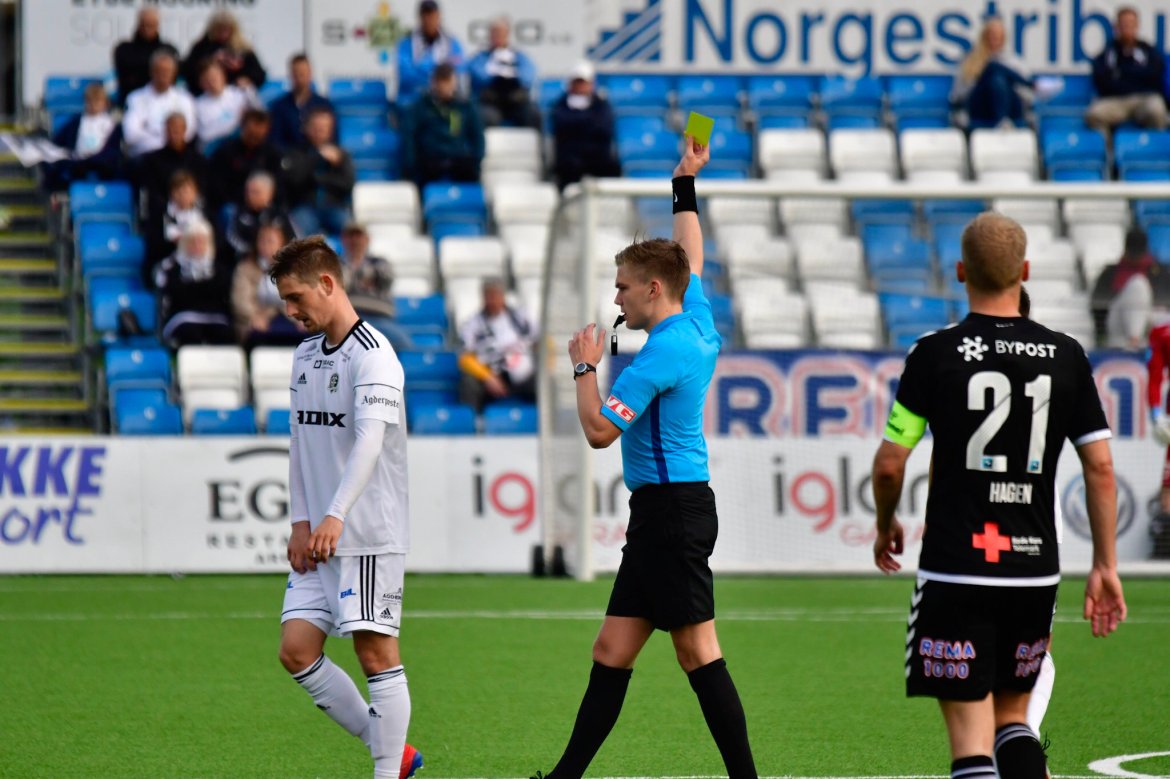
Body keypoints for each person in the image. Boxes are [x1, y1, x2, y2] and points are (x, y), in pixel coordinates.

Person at [530, 138, 759, 779]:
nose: (617, 299)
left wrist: (582, 366)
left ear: (653, 289)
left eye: (623, 288)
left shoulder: (659, 354)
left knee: (698, 652)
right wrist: (684, 184)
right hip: (664, 510)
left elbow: (601, 431)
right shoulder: (697, 318)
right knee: (612, 648)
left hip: (673, 512)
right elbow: (691, 255)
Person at [871, 212, 1126, 779]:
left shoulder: (934, 354)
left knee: (971, 743)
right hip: (1033, 571)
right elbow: (1101, 468)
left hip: (957, 567)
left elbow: (892, 464)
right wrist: (1105, 564)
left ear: (960, 271)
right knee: (1015, 720)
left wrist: (885, 521)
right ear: (1025, 271)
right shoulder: (1067, 356)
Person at [272, 236, 423, 779]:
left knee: (376, 654)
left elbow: (369, 443)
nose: (289, 311)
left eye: (295, 297)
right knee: (296, 650)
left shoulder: (375, 355)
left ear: (327, 284)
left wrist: (335, 514)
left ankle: (387, 771)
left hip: (366, 532)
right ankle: (394, 752)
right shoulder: (305, 355)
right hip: (320, 536)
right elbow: (298, 442)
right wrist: (301, 520)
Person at [1086, 7, 1168, 137]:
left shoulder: (1148, 51)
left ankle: (1153, 148)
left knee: (1157, 110)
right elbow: (1102, 81)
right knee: (1094, 114)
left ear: (1137, 26)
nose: (1127, 28)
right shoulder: (1108, 53)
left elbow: (1155, 76)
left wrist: (1122, 75)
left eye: (1131, 24)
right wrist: (1137, 76)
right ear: (1116, 27)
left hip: (1143, 99)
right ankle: (1110, 151)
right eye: (1123, 24)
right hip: (1116, 101)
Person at [153, 218, 235, 347]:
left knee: (225, 334)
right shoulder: (172, 269)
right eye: (192, 241)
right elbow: (176, 296)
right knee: (191, 333)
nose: (197, 246)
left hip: (215, 318)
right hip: (183, 317)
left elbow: (222, 296)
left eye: (201, 241)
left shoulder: (220, 270)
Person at [402, 63, 484, 188]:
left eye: (448, 81)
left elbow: (478, 137)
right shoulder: (421, 106)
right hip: (431, 159)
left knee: (471, 174)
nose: (445, 87)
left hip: (457, 158)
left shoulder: (465, 106)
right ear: (433, 82)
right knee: (418, 174)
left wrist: (476, 160)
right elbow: (409, 136)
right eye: (441, 82)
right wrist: (411, 165)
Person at [457, 278, 535, 411]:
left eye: (496, 295)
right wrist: (487, 377)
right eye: (489, 296)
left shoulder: (520, 318)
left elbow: (542, 341)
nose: (492, 300)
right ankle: (472, 423)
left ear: (503, 296)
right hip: (491, 375)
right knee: (468, 382)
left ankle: (545, 423)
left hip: (523, 375)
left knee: (545, 381)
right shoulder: (473, 324)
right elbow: (464, 357)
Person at [282, 108, 354, 238]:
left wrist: (321, 179)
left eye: (325, 127)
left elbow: (348, 183)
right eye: (316, 126)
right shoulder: (296, 153)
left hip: (334, 206)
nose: (320, 131)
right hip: (305, 207)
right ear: (306, 127)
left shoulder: (340, 154)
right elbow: (294, 180)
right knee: (299, 234)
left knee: (352, 231)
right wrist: (317, 157)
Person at [951, 17, 1033, 129]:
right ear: (984, 36)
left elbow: (1026, 97)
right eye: (991, 35)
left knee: (998, 75)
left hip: (1011, 108)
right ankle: (1032, 84)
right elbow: (958, 95)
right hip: (981, 109)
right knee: (992, 68)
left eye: (998, 36)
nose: (994, 39)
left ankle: (1002, 121)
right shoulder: (970, 61)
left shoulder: (1015, 62)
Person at [231, 221, 303, 347]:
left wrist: (303, 318)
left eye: (270, 241)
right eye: (262, 241)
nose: (265, 245)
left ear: (282, 243)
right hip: (257, 320)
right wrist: (253, 317)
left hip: (290, 319)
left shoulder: (294, 270)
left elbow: (302, 297)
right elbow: (240, 300)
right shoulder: (245, 268)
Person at [551, 62, 621, 190]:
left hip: (597, 158)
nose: (580, 86)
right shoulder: (560, 105)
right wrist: (588, 122)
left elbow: (604, 129)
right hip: (570, 160)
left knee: (612, 166)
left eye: (583, 82)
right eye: (577, 82)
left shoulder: (602, 105)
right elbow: (562, 127)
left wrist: (577, 123)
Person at [42, 82, 123, 192]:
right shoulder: (76, 122)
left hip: (103, 164)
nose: (93, 105)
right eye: (89, 101)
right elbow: (58, 142)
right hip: (78, 163)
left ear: (105, 103)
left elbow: (114, 150)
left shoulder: (113, 125)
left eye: (97, 101)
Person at [137, 112, 206, 233]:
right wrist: (172, 205)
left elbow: (204, 189)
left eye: (178, 129)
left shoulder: (198, 160)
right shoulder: (152, 160)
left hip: (194, 211)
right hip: (163, 214)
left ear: (185, 130)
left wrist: (188, 202)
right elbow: (149, 192)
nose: (174, 133)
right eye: (170, 129)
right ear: (165, 131)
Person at [467, 17, 539, 128]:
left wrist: (512, 75)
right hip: (491, 102)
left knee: (532, 114)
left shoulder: (519, 56)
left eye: (501, 33)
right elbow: (477, 73)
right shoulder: (481, 57)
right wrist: (496, 75)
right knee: (484, 116)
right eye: (495, 33)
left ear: (507, 34)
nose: (498, 36)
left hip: (516, 102)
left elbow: (528, 76)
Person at [121, 50, 195, 157]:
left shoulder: (184, 98)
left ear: (174, 73)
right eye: (159, 70)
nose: (163, 75)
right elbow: (131, 135)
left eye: (167, 71)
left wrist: (149, 130)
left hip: (175, 156)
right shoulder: (135, 98)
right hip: (145, 155)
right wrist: (168, 137)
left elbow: (188, 132)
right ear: (151, 72)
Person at [208, 108, 283, 211]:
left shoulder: (272, 154)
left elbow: (277, 184)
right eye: (251, 132)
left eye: (259, 134)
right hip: (234, 203)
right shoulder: (227, 151)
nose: (255, 135)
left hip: (264, 204)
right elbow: (217, 185)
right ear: (243, 127)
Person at [181, 10, 266, 98]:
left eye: (227, 29)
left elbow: (259, 74)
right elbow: (188, 70)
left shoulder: (243, 48)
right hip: (205, 96)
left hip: (236, 95)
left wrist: (248, 79)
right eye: (219, 29)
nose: (223, 33)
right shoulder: (201, 47)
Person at [396, 0, 464, 103]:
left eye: (432, 15)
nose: (429, 20)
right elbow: (406, 75)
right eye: (425, 15)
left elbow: (458, 69)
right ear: (420, 18)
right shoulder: (407, 44)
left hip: (445, 99)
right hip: (414, 98)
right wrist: (437, 73)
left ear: (439, 17)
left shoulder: (452, 43)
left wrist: (422, 68)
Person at [113, 7, 179, 108]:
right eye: (144, 24)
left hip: (165, 101)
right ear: (138, 24)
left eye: (151, 25)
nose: (147, 29)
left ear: (157, 25)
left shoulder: (169, 50)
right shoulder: (124, 50)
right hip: (133, 101)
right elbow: (126, 78)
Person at [268, 54, 335, 150]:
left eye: (303, 73)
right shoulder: (279, 106)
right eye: (296, 74)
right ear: (290, 75)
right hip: (289, 159)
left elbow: (333, 138)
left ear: (310, 73)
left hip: (318, 158)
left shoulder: (324, 105)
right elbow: (276, 140)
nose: (300, 78)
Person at [147, 169, 208, 269]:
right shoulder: (162, 215)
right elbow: (154, 244)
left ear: (195, 192)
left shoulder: (204, 214)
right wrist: (173, 243)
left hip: (200, 260)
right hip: (170, 260)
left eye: (187, 191)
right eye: (178, 191)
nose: (183, 195)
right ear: (171, 193)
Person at [194, 59, 258, 150]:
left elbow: (259, 114)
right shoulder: (198, 105)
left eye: (215, 76)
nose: (213, 82)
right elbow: (204, 135)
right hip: (214, 150)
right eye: (207, 79)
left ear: (223, 75)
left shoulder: (239, 94)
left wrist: (249, 90)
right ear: (201, 83)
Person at [226, 171, 289, 258]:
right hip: (248, 262)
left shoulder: (279, 215)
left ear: (269, 193)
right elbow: (232, 239)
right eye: (247, 191)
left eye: (255, 192)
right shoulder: (239, 213)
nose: (250, 196)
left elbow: (293, 241)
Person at [340, 223, 395, 302]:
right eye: (351, 236)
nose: (354, 240)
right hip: (347, 310)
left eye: (358, 236)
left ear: (367, 239)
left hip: (377, 310)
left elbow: (386, 279)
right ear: (343, 239)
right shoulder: (336, 264)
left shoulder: (380, 263)